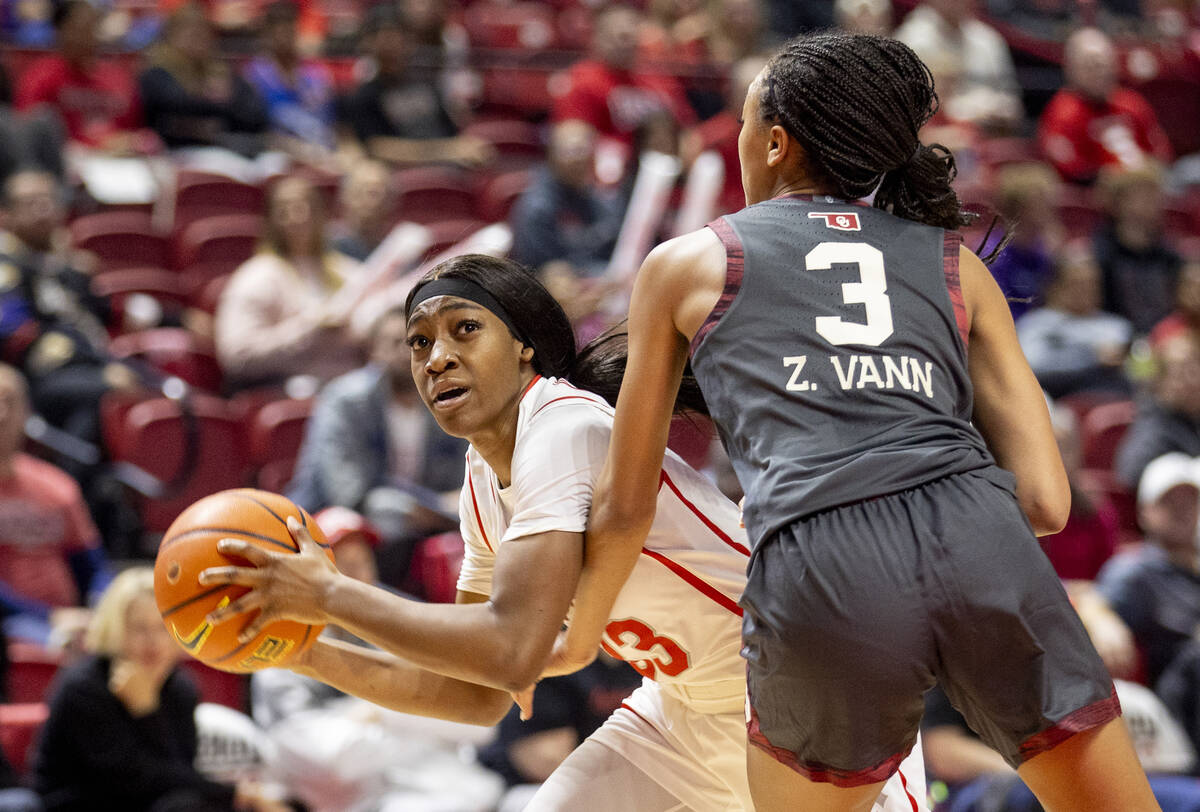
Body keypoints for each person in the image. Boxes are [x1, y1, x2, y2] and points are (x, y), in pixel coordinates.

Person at [565, 32, 1156, 811]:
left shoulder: (688, 264)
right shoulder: (958, 264)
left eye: (746, 125)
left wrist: (572, 641)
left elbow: (625, 504)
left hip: (823, 556)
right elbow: (1047, 502)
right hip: (983, 538)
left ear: (774, 143)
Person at [199, 255, 928, 811]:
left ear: (523, 348)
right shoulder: (483, 485)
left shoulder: (564, 421)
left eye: (463, 330)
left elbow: (510, 647)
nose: (436, 357)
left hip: (816, 690)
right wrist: (298, 646)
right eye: (419, 344)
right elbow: (477, 692)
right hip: (683, 711)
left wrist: (324, 596)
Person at [33, 567, 287, 812]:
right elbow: (135, 779)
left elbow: (177, 771)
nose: (153, 642)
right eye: (139, 629)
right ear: (115, 630)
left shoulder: (180, 688)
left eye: (162, 629)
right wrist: (147, 712)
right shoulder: (83, 687)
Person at [286, 306, 465, 587]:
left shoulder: (445, 399)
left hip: (417, 524)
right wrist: (426, 505)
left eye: (420, 344)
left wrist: (435, 507)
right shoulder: (346, 400)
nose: (409, 354)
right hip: (335, 519)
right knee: (379, 511)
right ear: (374, 351)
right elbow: (349, 492)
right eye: (397, 344)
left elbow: (459, 486)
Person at [214, 175, 362, 390]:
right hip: (287, 388)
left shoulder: (345, 270)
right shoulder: (256, 276)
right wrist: (307, 330)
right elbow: (237, 356)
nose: (298, 216)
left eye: (307, 207)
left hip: (350, 385)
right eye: (286, 209)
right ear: (271, 219)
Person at [0, 364, 109, 649]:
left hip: (69, 621)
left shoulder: (56, 486)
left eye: (9, 403)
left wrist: (101, 607)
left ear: (26, 414)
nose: (1, 415)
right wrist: (50, 617)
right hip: (14, 626)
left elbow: (93, 565)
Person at [339, 5, 491, 169]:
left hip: (449, 174)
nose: (392, 48)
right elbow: (378, 148)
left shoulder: (427, 86)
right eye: (385, 41)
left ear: (410, 43)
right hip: (404, 180)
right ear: (369, 46)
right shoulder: (362, 96)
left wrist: (470, 147)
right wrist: (448, 151)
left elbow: (451, 134)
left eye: (398, 39)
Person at [1098, 452, 1200, 688]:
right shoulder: (1134, 571)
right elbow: (1097, 608)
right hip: (1169, 702)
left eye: (1190, 500)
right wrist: (1101, 618)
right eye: (1169, 502)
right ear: (1144, 512)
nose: (1182, 510)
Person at [1038, 27, 1172, 185]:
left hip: (1148, 186)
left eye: (1105, 64)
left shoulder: (1132, 102)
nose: (1101, 73)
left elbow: (1160, 153)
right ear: (1072, 69)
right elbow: (1072, 171)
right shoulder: (1063, 113)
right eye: (1091, 66)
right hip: (1100, 196)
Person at [137, 2, 269, 158]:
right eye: (190, 31)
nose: (197, 38)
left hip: (228, 148)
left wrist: (217, 106)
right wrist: (218, 103)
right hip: (179, 153)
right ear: (171, 34)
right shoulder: (158, 72)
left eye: (202, 31)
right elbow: (175, 108)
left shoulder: (219, 69)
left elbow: (255, 114)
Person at [14, 0, 146, 152]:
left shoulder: (117, 76)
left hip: (118, 162)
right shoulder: (41, 77)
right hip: (66, 161)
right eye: (79, 27)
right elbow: (29, 132)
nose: (86, 35)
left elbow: (134, 129)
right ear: (60, 30)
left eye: (91, 26)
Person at [1015, 242, 1133, 399]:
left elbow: (1137, 373)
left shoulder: (1116, 326)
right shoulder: (1035, 325)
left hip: (1112, 402)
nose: (1087, 291)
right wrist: (1090, 356)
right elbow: (1032, 364)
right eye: (1078, 284)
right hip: (1054, 402)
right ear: (1055, 286)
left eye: (1092, 283)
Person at [509, 120, 624, 275]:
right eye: (570, 151)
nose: (578, 159)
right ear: (551, 155)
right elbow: (543, 271)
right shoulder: (537, 206)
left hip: (593, 279)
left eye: (584, 150)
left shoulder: (596, 198)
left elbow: (611, 241)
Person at [893, 0, 1022, 132]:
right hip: (937, 137)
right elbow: (915, 110)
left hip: (992, 135)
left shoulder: (989, 40)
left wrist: (993, 110)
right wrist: (968, 113)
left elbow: (1013, 107)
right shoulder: (911, 40)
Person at [1092, 162, 1182, 336]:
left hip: (1164, 342)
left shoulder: (1169, 256)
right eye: (1145, 194)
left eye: (1156, 194)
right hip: (1116, 340)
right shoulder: (1100, 254)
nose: (1156, 201)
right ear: (1118, 201)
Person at [1113, 330, 1200, 491]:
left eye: (1196, 370)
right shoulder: (1153, 427)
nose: (1194, 380)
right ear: (1161, 383)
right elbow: (1130, 475)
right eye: (1181, 373)